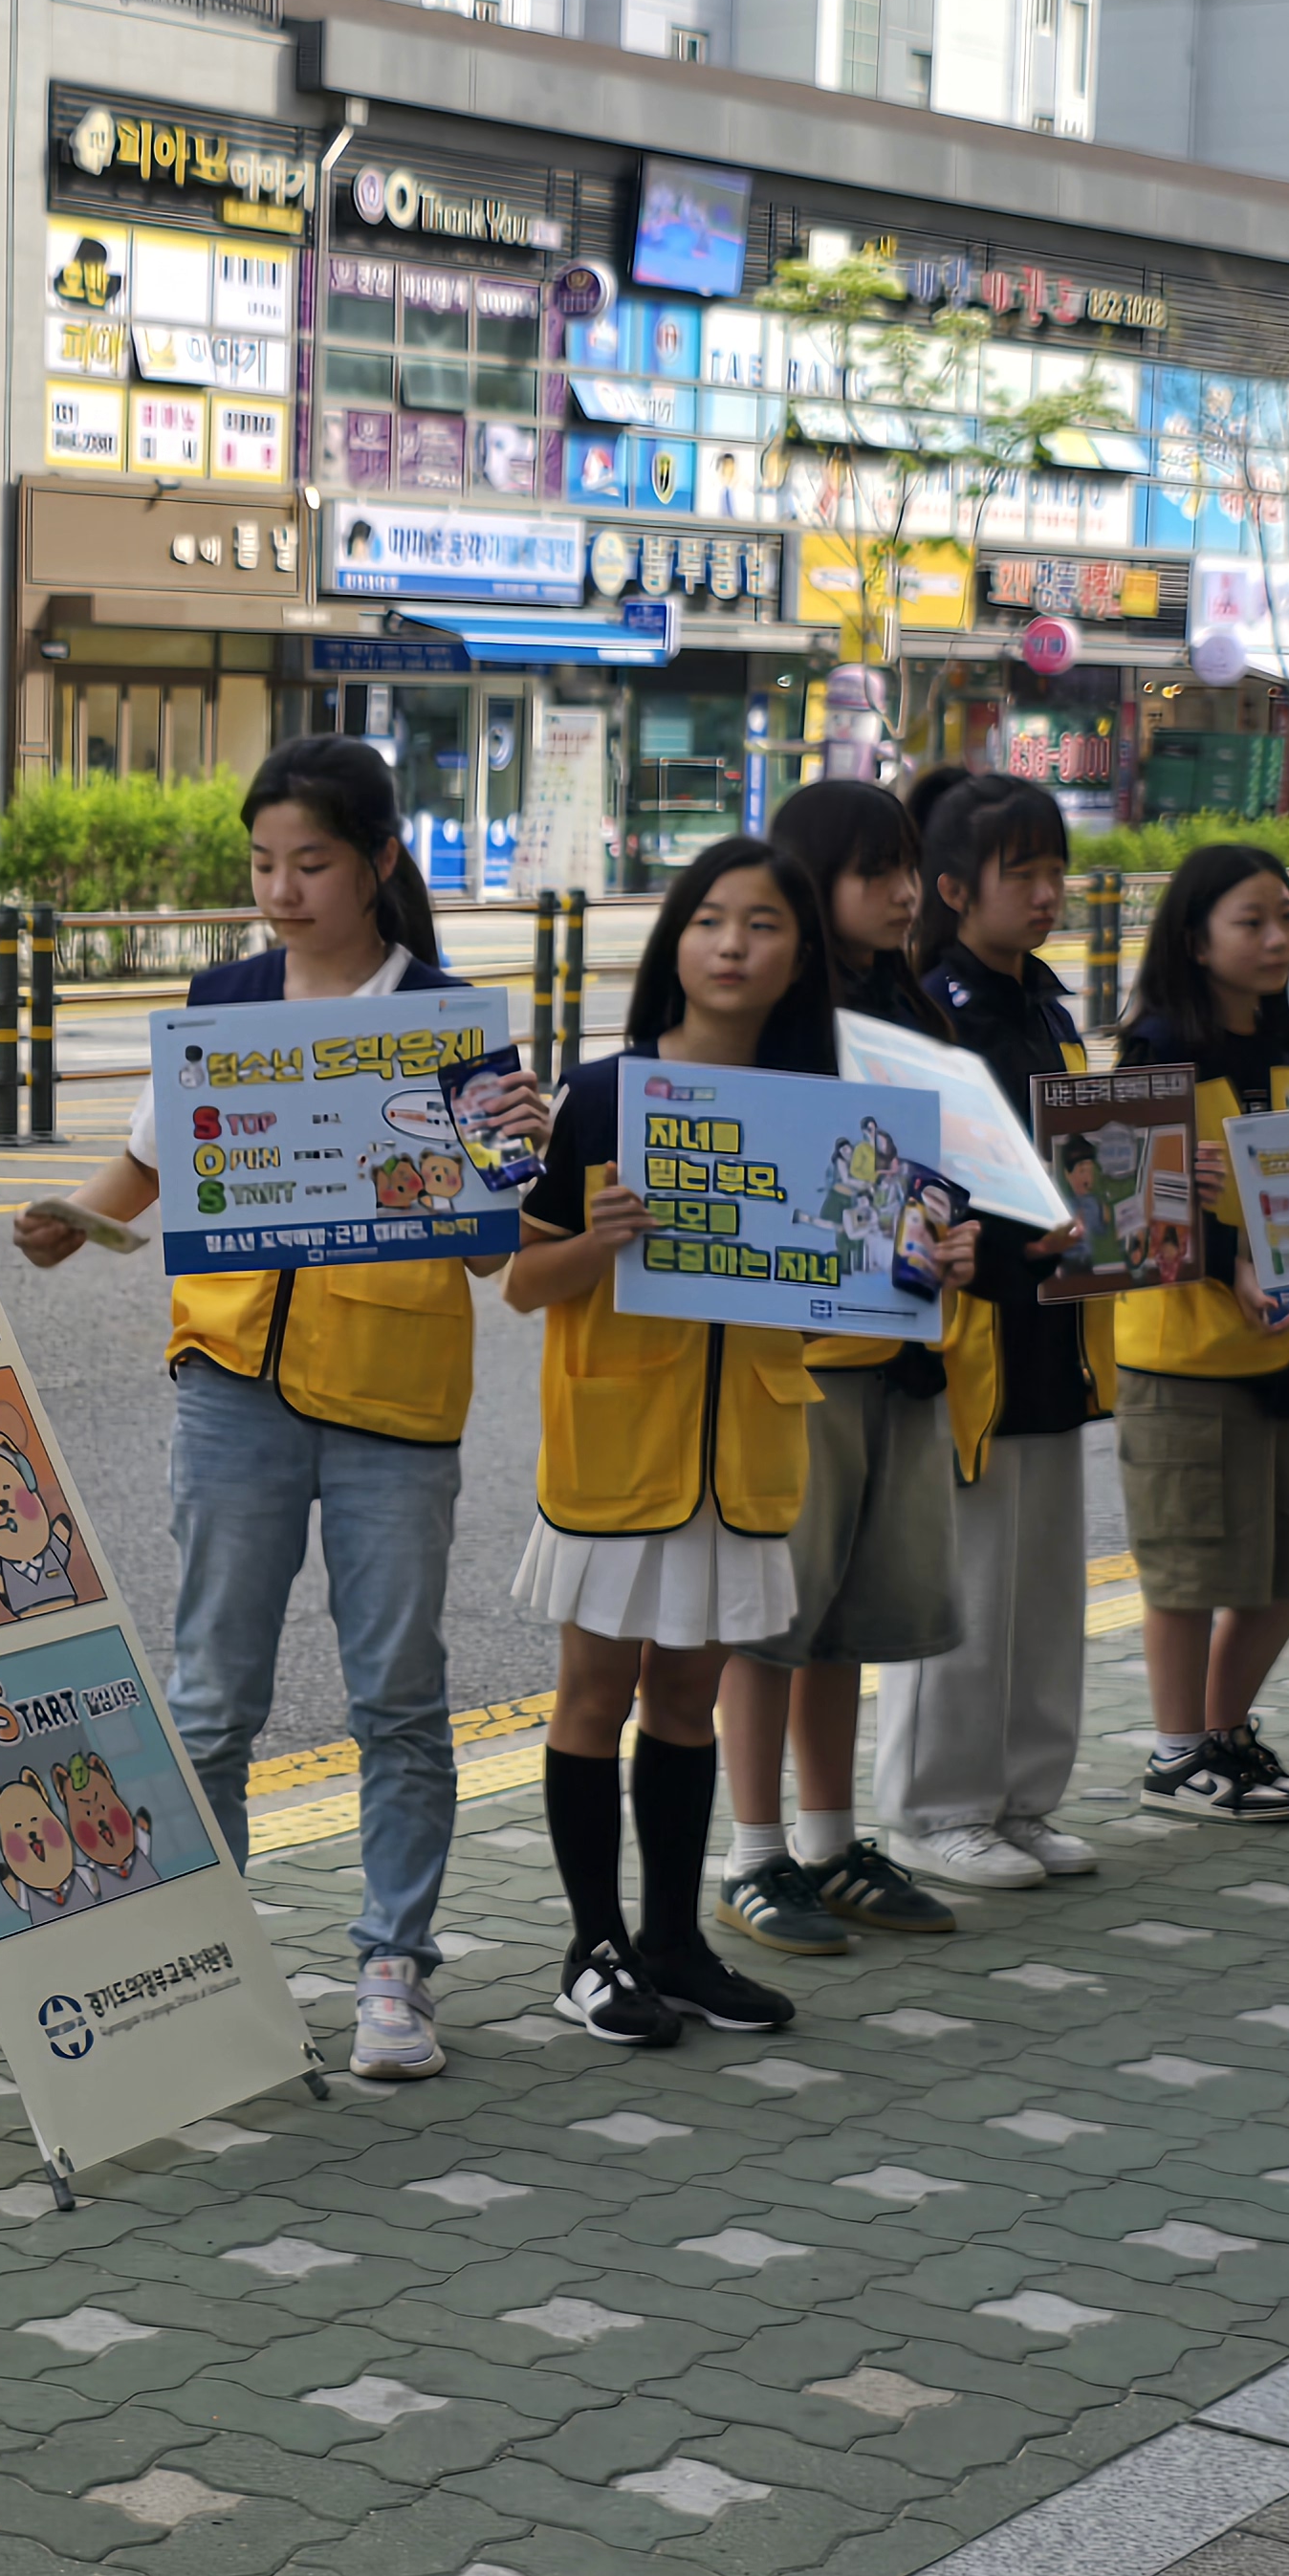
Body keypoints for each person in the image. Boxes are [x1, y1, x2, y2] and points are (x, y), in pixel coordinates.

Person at [14, 737, 546, 2081]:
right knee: (208, 1705)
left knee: (399, 1701)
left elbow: (494, 1255)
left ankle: (393, 1970)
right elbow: (148, 1161)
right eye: (263, 864)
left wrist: (508, 1150)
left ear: (376, 863)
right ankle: (210, 1979)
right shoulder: (225, 1001)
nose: (283, 890)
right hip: (233, 1386)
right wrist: (75, 1224)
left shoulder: (450, 1021)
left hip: (394, 1403)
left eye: (311, 863)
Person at [507, 837, 836, 2046]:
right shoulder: (601, 1096)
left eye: (761, 925)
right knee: (596, 1694)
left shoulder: (827, 1112)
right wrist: (594, 1241)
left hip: (742, 1451)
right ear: (673, 943)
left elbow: (862, 1286)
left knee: (689, 1696)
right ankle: (591, 1951)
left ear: (799, 957)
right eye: (708, 920)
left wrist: (924, 1264)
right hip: (617, 1447)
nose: (732, 946)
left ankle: (675, 1941)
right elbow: (521, 1281)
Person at [709, 782, 982, 1956]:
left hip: (900, 1351)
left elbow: (940, 1175)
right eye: (877, 872)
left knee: (843, 1624)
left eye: (910, 868)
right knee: (770, 1622)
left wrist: (959, 1236)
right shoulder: (776, 1018)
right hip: (796, 1366)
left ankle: (829, 1841)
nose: (905, 892)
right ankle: (752, 1852)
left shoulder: (909, 1007)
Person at [1114, 844, 1289, 1821]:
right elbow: (1127, 1218)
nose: (1279, 939)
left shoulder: (1283, 1056)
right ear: (1195, 941)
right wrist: (1218, 1256)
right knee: (1191, 1570)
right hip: (1185, 1360)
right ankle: (1175, 1755)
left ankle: (1224, 1736)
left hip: (1287, 1354)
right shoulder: (1155, 1057)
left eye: (1287, 917)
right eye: (1252, 921)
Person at [876, 778, 1113, 1889]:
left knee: (1043, 1581)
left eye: (1054, 871)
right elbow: (911, 1183)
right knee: (967, 1581)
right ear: (954, 888)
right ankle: (934, 1810)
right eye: (1024, 873)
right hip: (970, 1333)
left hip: (1054, 1326)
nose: (1048, 893)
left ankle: (1022, 1796)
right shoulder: (933, 1013)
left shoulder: (1048, 1010)